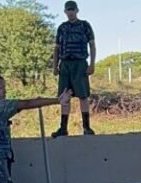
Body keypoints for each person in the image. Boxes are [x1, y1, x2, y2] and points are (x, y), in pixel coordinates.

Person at [51, 0, 96, 138]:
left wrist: (92, 64)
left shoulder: (84, 25)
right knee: (64, 97)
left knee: (83, 96)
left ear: (77, 10)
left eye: (72, 9)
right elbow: (57, 48)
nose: (70, 12)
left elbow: (92, 45)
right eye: (68, 10)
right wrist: (55, 66)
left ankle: (86, 127)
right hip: (65, 64)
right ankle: (63, 128)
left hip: (80, 63)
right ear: (65, 12)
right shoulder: (62, 28)